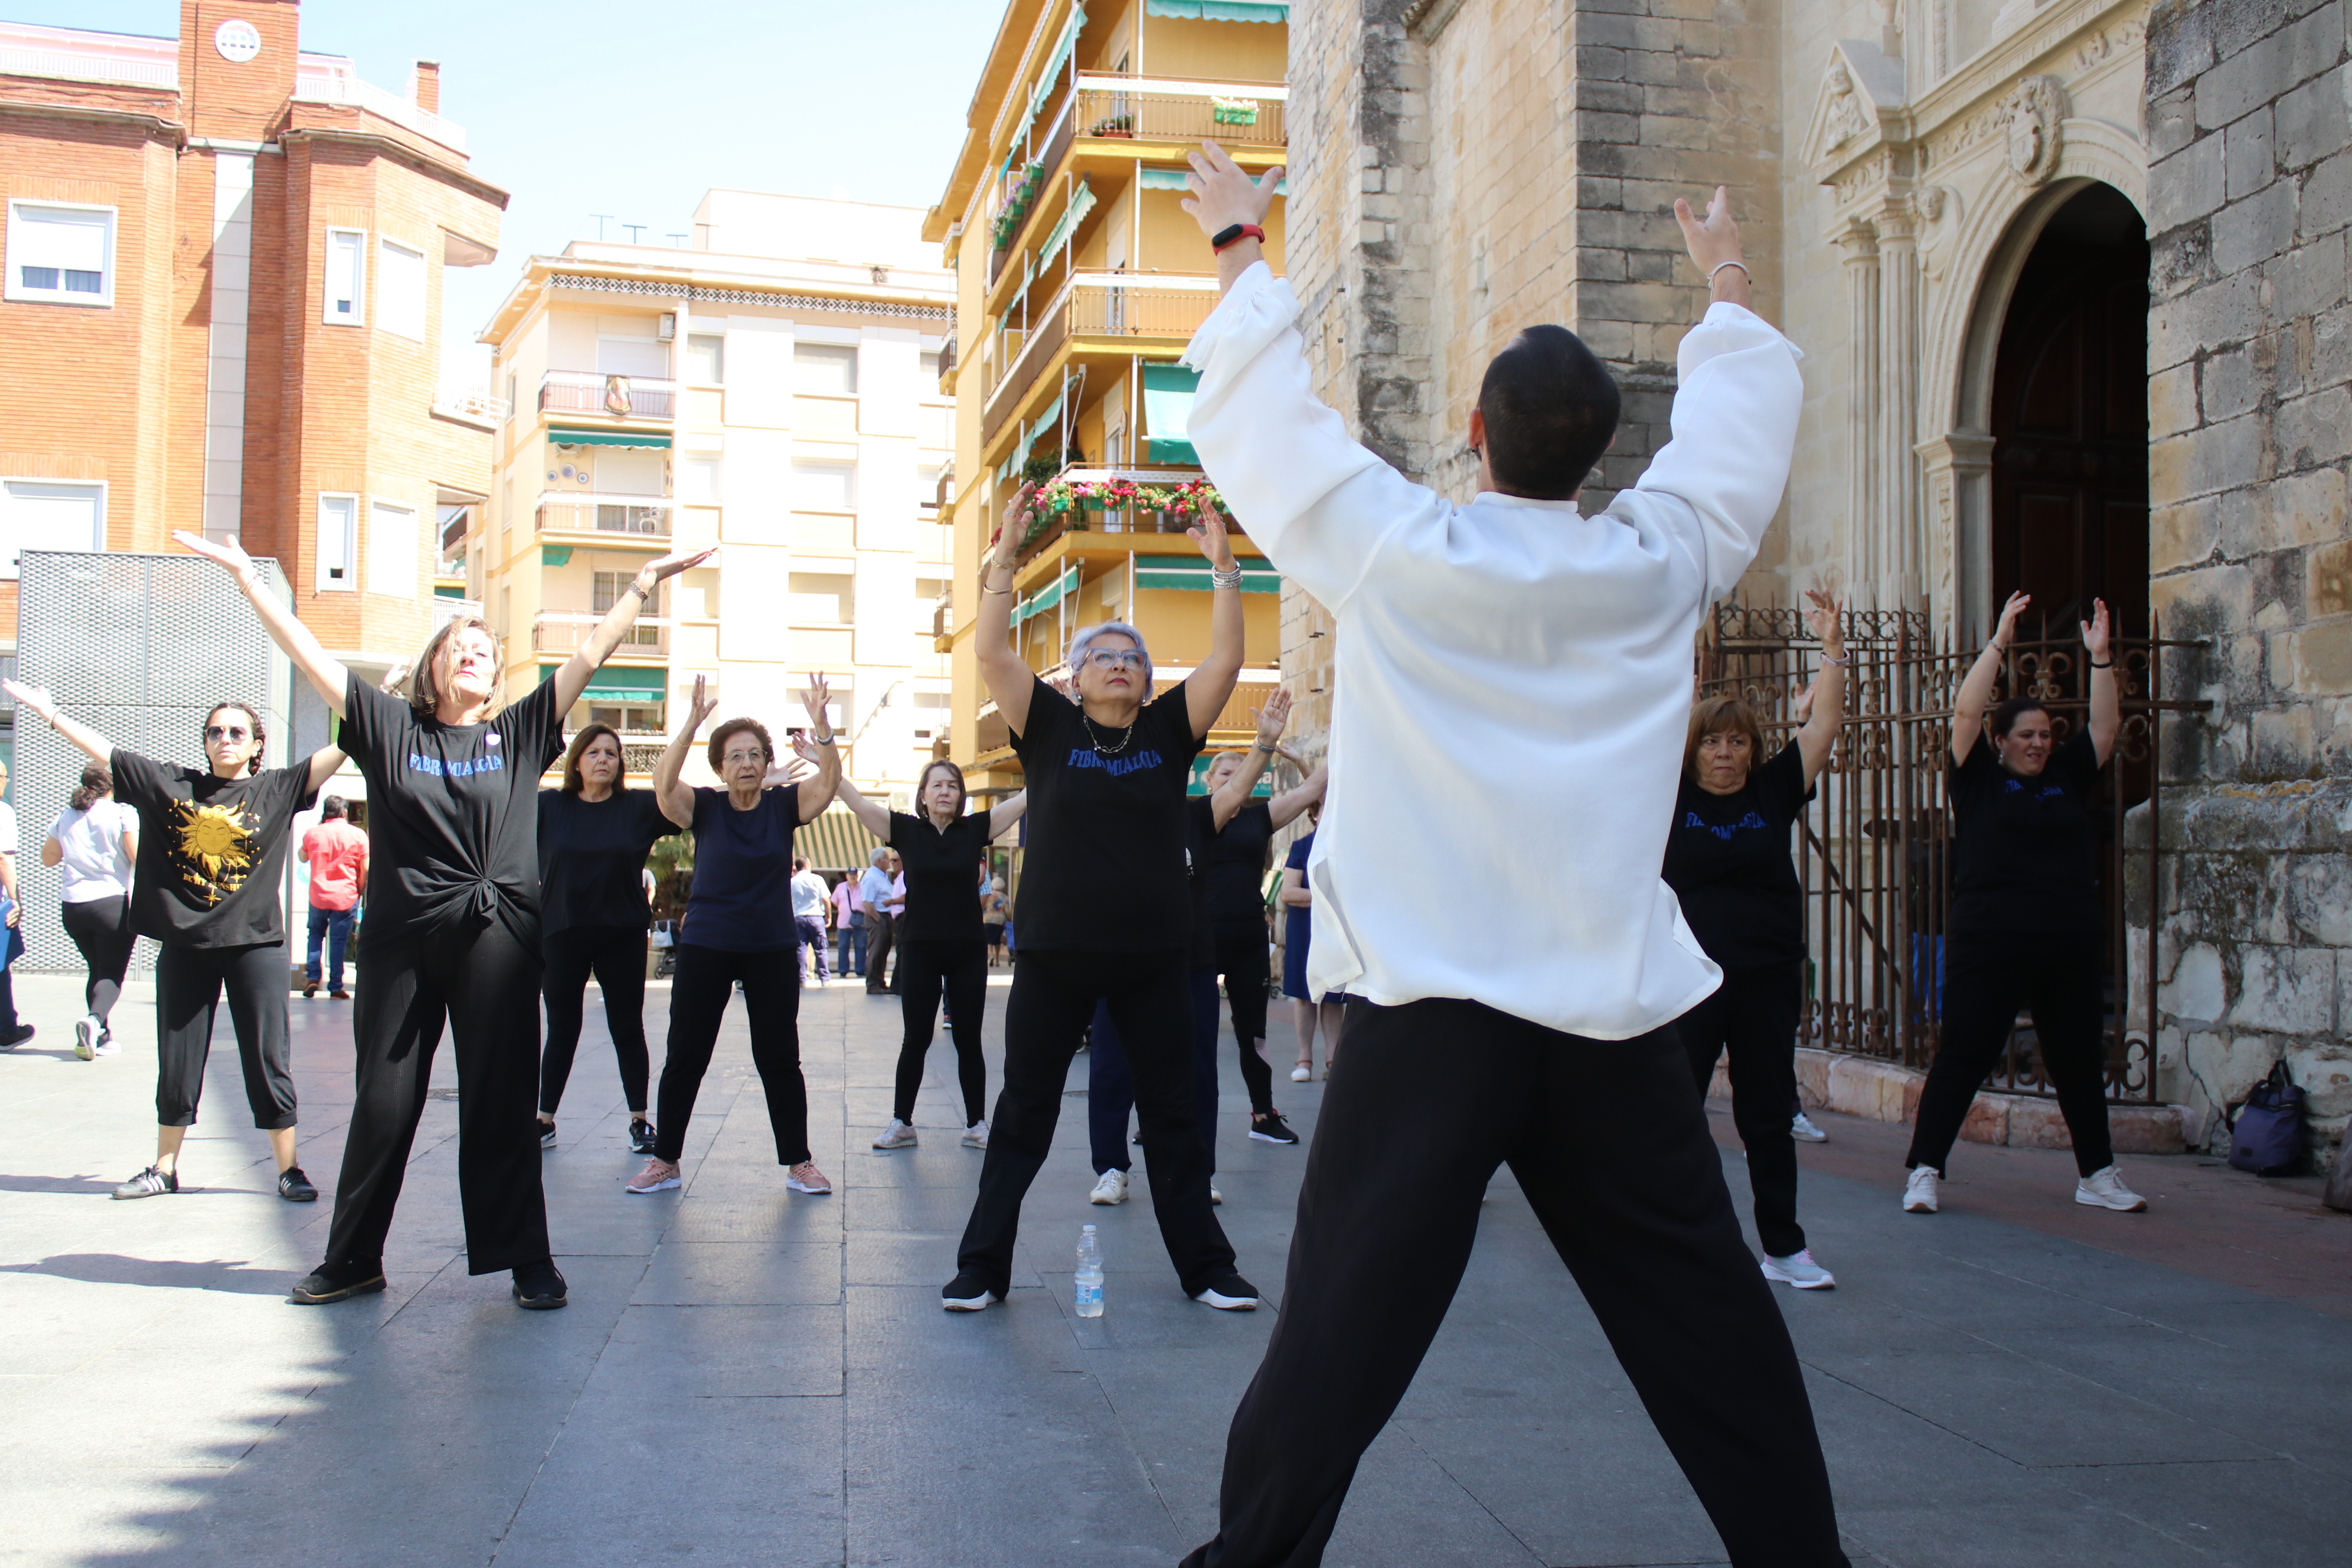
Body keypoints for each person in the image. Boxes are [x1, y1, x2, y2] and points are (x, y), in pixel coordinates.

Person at [1172, 147, 1847, 1565]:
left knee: (1338, 1331)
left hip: (1436, 1017)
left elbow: (1259, 429)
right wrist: (1723, 273)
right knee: (1708, 1316)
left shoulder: (1399, 550)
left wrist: (1242, 240)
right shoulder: (1662, 560)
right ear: (1599, 451)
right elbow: (1742, 430)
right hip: (1606, 1018)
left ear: (1474, 431)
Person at [171, 528, 714, 1309]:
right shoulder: (391, 728)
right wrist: (248, 582)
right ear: (431, 668)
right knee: (385, 1105)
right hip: (400, 941)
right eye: (459, 645)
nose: (474, 653)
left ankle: (526, 1259)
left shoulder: (518, 733)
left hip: (499, 937)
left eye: (485, 650)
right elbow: (309, 657)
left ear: (494, 679)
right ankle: (354, 1257)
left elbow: (590, 655)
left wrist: (643, 585)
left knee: (501, 1103)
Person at [943, 464, 1259, 1316]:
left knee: (1175, 1115)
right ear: (1074, 679)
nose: (1118, 665)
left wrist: (1223, 566)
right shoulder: (1045, 726)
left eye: (1133, 659)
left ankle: (1206, 1268)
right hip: (1055, 956)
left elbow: (1227, 656)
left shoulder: (1166, 733)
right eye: (1102, 657)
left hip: (1155, 956)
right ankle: (982, 1267)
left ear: (1149, 684)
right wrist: (1005, 561)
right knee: (1024, 1114)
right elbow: (990, 651)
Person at [5, 681, 343, 1204]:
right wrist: (51, 713)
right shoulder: (173, 785)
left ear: (257, 744)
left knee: (267, 1055)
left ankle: (289, 1168)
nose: (224, 739)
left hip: (256, 945)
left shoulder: (276, 788)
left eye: (237, 732)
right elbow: (106, 752)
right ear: (204, 742)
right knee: (178, 1057)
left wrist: (377, 702)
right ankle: (164, 1168)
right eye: (215, 731)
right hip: (188, 946)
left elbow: (344, 747)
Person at [1902, 592, 2143, 1217]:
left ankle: (2098, 1174)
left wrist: (2099, 658)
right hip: (1991, 938)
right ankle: (1925, 1169)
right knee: (1965, 1052)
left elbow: (2106, 729)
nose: (2039, 744)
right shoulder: (1978, 777)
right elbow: (1963, 712)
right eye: (2026, 736)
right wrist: (2001, 641)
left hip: (2066, 938)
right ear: (2001, 741)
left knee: (2078, 1060)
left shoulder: (2065, 775)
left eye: (2045, 735)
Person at [1662, 589, 1847, 1291]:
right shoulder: (1668, 797)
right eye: (1712, 740)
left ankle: (1784, 1246)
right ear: (1694, 749)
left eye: (1738, 740)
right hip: (1691, 978)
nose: (1726, 753)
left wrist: (1832, 649)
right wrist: (1680, 679)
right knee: (1676, 1109)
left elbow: (1823, 729)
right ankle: (1680, 1237)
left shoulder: (1770, 794)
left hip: (1767, 975)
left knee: (1767, 1113)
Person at [1086, 688, 1312, 1208]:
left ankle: (1197, 1169)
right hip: (1120, 960)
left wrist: (1265, 744)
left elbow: (1238, 794)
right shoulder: (1115, 812)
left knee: (1198, 1072)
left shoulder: (1199, 817)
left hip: (1189, 962)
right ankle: (1112, 1169)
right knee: (1112, 1069)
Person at [625, 674, 841, 1198]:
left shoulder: (783, 807)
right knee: (686, 1055)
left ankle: (799, 1162)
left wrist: (823, 729)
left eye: (754, 755)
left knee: (779, 1058)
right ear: (720, 767)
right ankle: (665, 1160)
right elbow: (663, 784)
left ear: (767, 764)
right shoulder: (703, 807)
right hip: (707, 945)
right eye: (735, 756)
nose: (746, 763)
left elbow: (828, 784)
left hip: (769, 945)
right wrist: (692, 725)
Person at [839, 762, 1026, 1153]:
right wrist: (825, 751)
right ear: (923, 794)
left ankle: (977, 1124)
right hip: (921, 950)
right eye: (937, 785)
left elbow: (1028, 797)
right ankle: (902, 1123)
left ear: (961, 796)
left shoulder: (975, 829)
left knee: (968, 1039)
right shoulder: (906, 831)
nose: (945, 791)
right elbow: (853, 798)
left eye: (953, 786)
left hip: (967, 951)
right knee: (916, 1039)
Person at [536, 722, 671, 1157]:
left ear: (620, 764)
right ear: (577, 760)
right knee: (562, 1029)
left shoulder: (639, 807)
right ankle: (543, 1121)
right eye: (593, 752)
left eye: (611, 753)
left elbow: (693, 806)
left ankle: (639, 1121)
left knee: (628, 1028)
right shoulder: (547, 806)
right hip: (561, 932)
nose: (603, 760)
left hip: (622, 935)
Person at [1198, 724, 1325, 1146]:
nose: (1234, 778)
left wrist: (1299, 760)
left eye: (1242, 772)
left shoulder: (1260, 817)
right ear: (1208, 781)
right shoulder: (1193, 817)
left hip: (1248, 938)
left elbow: (1316, 794)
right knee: (1186, 1033)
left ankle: (1263, 1115)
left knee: (1254, 1033)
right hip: (1198, 938)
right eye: (1224, 773)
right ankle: (1173, 1115)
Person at [43, 762, 137, 1059]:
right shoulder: (123, 812)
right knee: (110, 973)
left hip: (73, 906)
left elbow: (49, 858)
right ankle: (94, 1021)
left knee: (96, 969)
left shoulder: (66, 816)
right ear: (113, 786)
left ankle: (101, 1037)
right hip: (112, 904)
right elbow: (137, 856)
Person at [1278, 802, 1347, 1082]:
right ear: (1314, 815)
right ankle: (1304, 1057)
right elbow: (1289, 892)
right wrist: (1326, 897)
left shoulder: (1345, 849)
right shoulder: (1302, 846)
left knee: (1334, 997)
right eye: (1323, 809)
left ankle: (1334, 1058)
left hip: (1334, 932)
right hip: (1304, 931)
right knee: (1305, 996)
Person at [298, 795, 368, 999]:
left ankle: (313, 978)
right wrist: (360, 890)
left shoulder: (313, 834)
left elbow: (303, 858)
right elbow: (365, 869)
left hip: (318, 896)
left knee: (315, 935)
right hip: (345, 896)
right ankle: (336, 987)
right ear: (344, 812)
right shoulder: (358, 835)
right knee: (338, 942)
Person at [0, 757, 28, 1050]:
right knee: (0, 962)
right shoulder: (3, 812)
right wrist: (14, 900)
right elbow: (4, 858)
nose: (6, 782)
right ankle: (6, 1029)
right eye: (5, 776)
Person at [860, 847, 899, 995]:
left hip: (885, 917)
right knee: (876, 951)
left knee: (883, 951)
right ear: (879, 861)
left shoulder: (882, 876)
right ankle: (873, 984)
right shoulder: (871, 877)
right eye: (887, 859)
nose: (889, 862)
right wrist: (879, 921)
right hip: (877, 916)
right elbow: (867, 903)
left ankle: (880, 982)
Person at [790, 857, 832, 985]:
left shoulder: (792, 882)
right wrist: (828, 916)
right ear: (808, 865)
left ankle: (802, 979)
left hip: (799, 918)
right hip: (816, 917)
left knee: (801, 949)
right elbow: (826, 899)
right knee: (820, 948)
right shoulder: (817, 879)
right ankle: (825, 978)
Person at [832, 865, 865, 978]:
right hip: (843, 923)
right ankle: (843, 970)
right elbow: (835, 902)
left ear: (857, 875)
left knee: (861, 946)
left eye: (854, 875)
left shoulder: (863, 886)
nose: (852, 877)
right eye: (850, 875)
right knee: (843, 947)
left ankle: (860, 970)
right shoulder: (840, 887)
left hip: (860, 923)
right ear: (846, 876)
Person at [982, 874, 1008, 965]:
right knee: (997, 939)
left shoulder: (988, 895)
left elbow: (983, 905)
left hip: (988, 918)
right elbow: (1008, 911)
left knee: (988, 939)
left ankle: (991, 955)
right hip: (999, 920)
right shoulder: (1005, 897)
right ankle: (997, 959)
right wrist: (1008, 918)